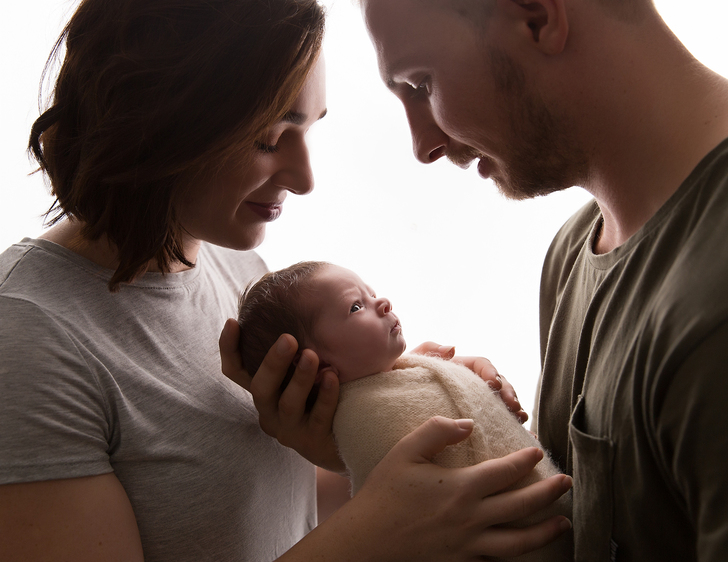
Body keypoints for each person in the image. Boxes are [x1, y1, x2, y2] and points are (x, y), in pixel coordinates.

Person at [0, 0, 573, 560]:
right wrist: (376, 534)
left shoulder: (236, 269)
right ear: (157, 118)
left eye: (311, 129)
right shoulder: (28, 337)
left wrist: (399, 414)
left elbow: (262, 510)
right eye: (270, 139)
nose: (304, 179)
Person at [221, 0, 728, 560]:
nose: (423, 145)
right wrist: (374, 442)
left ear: (537, 16)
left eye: (422, 83)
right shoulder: (577, 251)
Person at [236, 260, 573, 561]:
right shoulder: (364, 419)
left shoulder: (398, 377)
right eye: (356, 307)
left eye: (371, 294)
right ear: (314, 365)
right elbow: (403, 506)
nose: (383, 303)